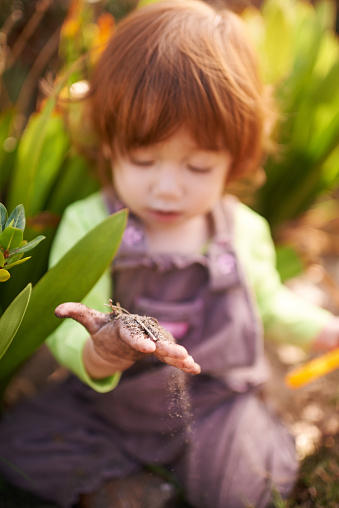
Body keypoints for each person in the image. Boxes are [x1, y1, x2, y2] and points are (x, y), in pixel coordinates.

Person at [1, 1, 339, 507]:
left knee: (238, 487)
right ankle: (131, 488)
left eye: (198, 166)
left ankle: (198, 472)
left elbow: (269, 304)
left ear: (235, 160)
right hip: (109, 404)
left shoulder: (241, 229)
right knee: (16, 442)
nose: (166, 189)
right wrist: (105, 348)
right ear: (110, 145)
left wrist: (328, 331)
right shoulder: (90, 222)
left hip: (216, 403)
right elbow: (74, 327)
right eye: (143, 159)